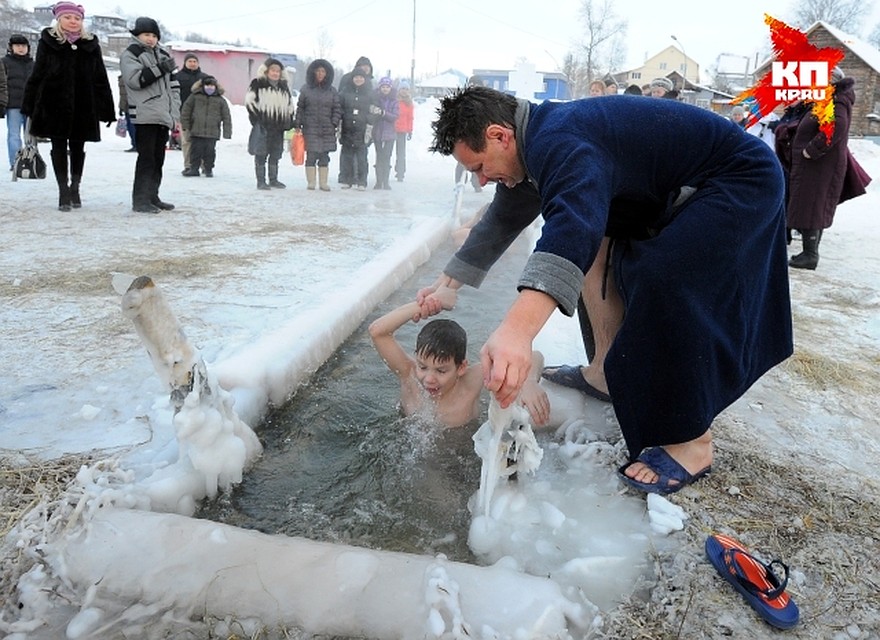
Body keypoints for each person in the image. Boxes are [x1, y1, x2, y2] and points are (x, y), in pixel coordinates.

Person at [416, 86, 793, 495]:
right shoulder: (532, 144)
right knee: (597, 252)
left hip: (739, 179)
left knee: (662, 277)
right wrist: (447, 282)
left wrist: (518, 331)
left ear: (499, 135)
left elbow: (570, 228)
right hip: (688, 189)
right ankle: (604, 372)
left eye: (480, 166)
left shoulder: (560, 141)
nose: (481, 179)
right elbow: (501, 220)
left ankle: (692, 441)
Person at [369, 287, 550, 429]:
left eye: (441, 371)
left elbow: (535, 356)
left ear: (461, 367)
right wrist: (425, 305)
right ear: (416, 359)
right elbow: (378, 332)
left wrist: (529, 382)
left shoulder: (471, 380)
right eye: (423, 367)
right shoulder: (409, 375)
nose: (429, 379)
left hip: (460, 445)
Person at [20, 2, 115, 211]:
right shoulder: (48, 41)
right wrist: (29, 104)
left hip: (83, 104)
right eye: (68, 17)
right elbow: (38, 72)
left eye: (77, 18)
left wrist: (106, 108)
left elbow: (100, 76)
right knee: (58, 147)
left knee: (79, 148)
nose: (73, 22)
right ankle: (63, 190)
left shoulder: (91, 44)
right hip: (53, 103)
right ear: (59, 20)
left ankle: (76, 187)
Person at [774, 68, 866, 270]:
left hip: (819, 164)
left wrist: (812, 150)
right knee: (811, 205)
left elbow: (836, 127)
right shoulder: (826, 98)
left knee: (813, 205)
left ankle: (810, 255)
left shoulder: (836, 100)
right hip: (814, 165)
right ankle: (809, 252)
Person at [120, 16, 180, 213]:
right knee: (146, 159)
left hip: (163, 115)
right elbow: (135, 80)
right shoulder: (131, 54)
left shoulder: (163, 54)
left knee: (158, 159)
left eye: (154, 35)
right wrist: (160, 69)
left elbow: (174, 86)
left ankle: (153, 196)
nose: (150, 39)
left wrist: (174, 113)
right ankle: (140, 200)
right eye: (146, 34)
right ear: (137, 35)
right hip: (145, 113)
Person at [244, 57, 295, 190]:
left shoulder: (284, 86)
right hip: (263, 125)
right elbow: (249, 101)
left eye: (278, 71)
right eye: (272, 70)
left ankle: (273, 179)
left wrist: (289, 119)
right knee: (261, 153)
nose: (275, 73)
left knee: (276, 153)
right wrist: (257, 119)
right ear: (266, 71)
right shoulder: (258, 83)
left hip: (278, 127)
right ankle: (261, 181)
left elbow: (290, 104)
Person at [294, 58, 341, 191]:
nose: (320, 74)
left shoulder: (332, 91)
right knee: (311, 155)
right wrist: (298, 123)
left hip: (327, 129)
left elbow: (337, 109)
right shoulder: (306, 89)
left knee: (324, 156)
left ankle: (323, 182)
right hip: (310, 128)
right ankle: (311, 182)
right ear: (313, 72)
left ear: (327, 74)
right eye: (318, 71)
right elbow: (300, 108)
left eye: (323, 71)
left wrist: (334, 122)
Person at [180, 76, 231, 178]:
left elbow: (226, 117)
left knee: (210, 152)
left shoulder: (220, 100)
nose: (210, 88)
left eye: (212, 85)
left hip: (212, 132)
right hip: (196, 131)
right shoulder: (194, 97)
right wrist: (185, 126)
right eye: (207, 85)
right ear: (202, 86)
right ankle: (194, 169)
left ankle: (208, 169)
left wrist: (227, 132)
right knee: (195, 151)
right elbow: (186, 111)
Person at [2, 35, 35, 171]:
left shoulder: (33, 64)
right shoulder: (4, 62)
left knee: (31, 136)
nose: (21, 49)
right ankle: (15, 162)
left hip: (30, 104)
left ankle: (30, 161)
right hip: (13, 105)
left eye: (24, 46)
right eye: (18, 46)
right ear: (11, 48)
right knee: (14, 135)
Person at [337, 67, 371, 190]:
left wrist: (369, 120)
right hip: (347, 128)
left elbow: (373, 110)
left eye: (361, 77)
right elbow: (338, 107)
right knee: (347, 155)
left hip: (362, 129)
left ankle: (362, 181)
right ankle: (347, 180)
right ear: (352, 78)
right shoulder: (345, 92)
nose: (358, 79)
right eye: (356, 77)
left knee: (362, 157)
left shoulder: (369, 93)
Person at [176, 52, 208, 174]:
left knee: (203, 140)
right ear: (185, 63)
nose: (192, 63)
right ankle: (188, 165)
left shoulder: (205, 78)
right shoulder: (177, 77)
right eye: (190, 61)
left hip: (202, 114)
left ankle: (205, 165)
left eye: (195, 61)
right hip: (184, 114)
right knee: (187, 140)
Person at [369, 76, 399, 190]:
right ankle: (378, 181)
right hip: (377, 132)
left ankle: (386, 182)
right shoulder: (376, 99)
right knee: (379, 157)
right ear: (380, 87)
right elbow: (371, 112)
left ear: (390, 88)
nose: (385, 89)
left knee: (387, 157)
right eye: (383, 87)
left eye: (387, 87)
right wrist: (373, 111)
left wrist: (383, 113)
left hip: (390, 134)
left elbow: (395, 116)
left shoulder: (394, 101)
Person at [394, 80, 414, 182]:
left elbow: (410, 118)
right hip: (392, 129)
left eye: (406, 89)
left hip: (402, 130)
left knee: (401, 153)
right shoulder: (394, 100)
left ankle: (400, 172)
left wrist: (410, 130)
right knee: (388, 152)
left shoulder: (409, 103)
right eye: (402, 89)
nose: (404, 91)